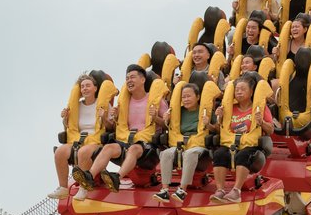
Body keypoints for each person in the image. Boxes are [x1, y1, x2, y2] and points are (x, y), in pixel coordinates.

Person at [74, 64, 168, 195]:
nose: (129, 80)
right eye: (127, 78)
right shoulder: (122, 103)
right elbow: (111, 127)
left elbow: (167, 126)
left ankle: (117, 178)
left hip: (148, 147)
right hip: (125, 142)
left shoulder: (158, 102)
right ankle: (89, 176)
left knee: (134, 149)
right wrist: (111, 118)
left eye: (132, 77)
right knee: (109, 147)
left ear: (143, 80)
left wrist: (156, 117)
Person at [48, 72, 112, 199]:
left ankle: (84, 187)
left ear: (95, 88)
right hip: (77, 140)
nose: (85, 89)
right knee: (60, 152)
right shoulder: (75, 106)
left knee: (83, 152)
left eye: (88, 86)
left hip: (95, 140)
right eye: (82, 87)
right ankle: (63, 188)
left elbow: (111, 127)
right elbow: (68, 129)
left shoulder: (103, 105)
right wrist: (65, 120)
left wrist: (104, 117)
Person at [211, 73, 273, 204]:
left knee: (243, 155)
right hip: (230, 143)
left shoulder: (261, 108)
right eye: (237, 90)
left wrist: (261, 122)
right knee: (219, 154)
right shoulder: (229, 109)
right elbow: (219, 129)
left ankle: (236, 191)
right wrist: (219, 118)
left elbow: (271, 130)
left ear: (251, 92)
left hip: (250, 146)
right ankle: (220, 190)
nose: (239, 92)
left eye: (243, 89)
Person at [153, 83, 212, 203]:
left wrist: (209, 124)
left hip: (198, 146)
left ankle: (182, 190)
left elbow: (216, 128)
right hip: (179, 144)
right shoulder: (177, 112)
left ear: (198, 97)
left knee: (190, 153)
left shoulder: (205, 110)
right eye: (183, 97)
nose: (185, 99)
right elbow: (167, 126)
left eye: (189, 96)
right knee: (165, 153)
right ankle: (164, 191)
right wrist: (163, 118)